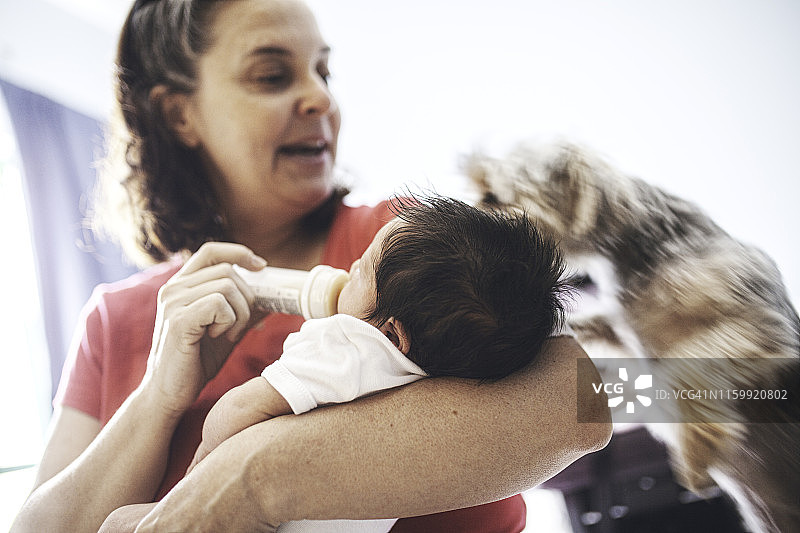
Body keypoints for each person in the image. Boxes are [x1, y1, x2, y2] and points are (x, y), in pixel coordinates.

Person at [10, 1, 612, 533]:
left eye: (324, 71)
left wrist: (257, 478)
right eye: (272, 76)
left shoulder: (411, 248)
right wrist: (157, 402)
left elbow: (606, 396)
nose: (321, 98)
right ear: (178, 116)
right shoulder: (116, 323)